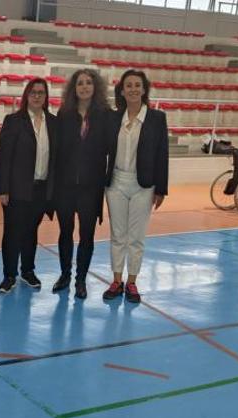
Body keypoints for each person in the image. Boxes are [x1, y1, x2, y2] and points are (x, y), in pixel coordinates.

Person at [103, 69, 169, 303]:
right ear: (122, 91)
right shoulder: (113, 118)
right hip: (116, 183)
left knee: (137, 237)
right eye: (128, 85)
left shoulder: (157, 118)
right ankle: (117, 280)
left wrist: (161, 188)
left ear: (144, 89)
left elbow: (163, 154)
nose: (132, 89)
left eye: (137, 85)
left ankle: (132, 282)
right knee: (117, 235)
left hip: (144, 185)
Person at [0, 77, 58, 294]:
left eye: (41, 92)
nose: (37, 96)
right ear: (26, 96)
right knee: (13, 233)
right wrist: (2, 188)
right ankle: (9, 275)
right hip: (17, 188)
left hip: (41, 189)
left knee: (31, 232)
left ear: (46, 96)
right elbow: (3, 157)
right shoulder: (13, 121)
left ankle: (28, 271)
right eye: (33, 92)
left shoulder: (53, 122)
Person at [52, 69, 112, 299]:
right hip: (65, 187)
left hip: (90, 187)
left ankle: (80, 280)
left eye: (88, 82)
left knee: (86, 235)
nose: (84, 87)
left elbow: (111, 149)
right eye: (80, 83)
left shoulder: (105, 115)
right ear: (73, 89)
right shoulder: (64, 114)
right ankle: (65, 274)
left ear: (95, 87)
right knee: (65, 232)